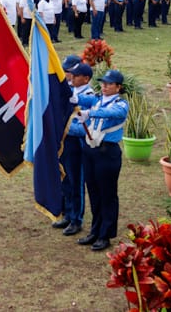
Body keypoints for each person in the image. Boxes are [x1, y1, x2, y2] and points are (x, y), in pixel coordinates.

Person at [76, 69, 129, 251]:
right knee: (94, 192)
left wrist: (89, 114)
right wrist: (71, 97)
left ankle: (105, 234)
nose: (104, 86)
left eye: (109, 83)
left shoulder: (121, 104)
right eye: (103, 83)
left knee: (107, 194)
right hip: (91, 151)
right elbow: (80, 99)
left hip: (108, 152)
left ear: (118, 87)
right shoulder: (97, 100)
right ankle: (95, 230)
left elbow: (111, 113)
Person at [52, 61, 94, 237]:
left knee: (76, 181)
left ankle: (76, 219)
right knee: (65, 179)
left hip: (77, 143)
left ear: (85, 79)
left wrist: (64, 128)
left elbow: (86, 125)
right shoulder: (74, 90)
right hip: (65, 142)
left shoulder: (89, 96)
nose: (71, 77)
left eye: (75, 75)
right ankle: (67, 213)